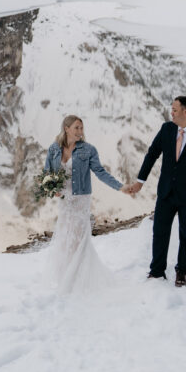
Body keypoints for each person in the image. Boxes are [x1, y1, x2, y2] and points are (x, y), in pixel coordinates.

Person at [125, 96, 186, 287]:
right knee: (159, 231)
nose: (171, 112)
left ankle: (181, 272)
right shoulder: (166, 129)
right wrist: (140, 181)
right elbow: (152, 154)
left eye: (174, 110)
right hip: (166, 192)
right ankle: (157, 271)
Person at [43, 115, 125, 294]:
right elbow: (46, 173)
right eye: (77, 128)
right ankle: (66, 277)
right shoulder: (54, 149)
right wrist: (51, 189)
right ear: (66, 128)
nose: (80, 132)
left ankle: (79, 280)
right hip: (64, 200)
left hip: (81, 200)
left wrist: (120, 187)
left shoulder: (88, 150)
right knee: (65, 238)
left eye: (81, 128)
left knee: (79, 240)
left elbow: (100, 172)